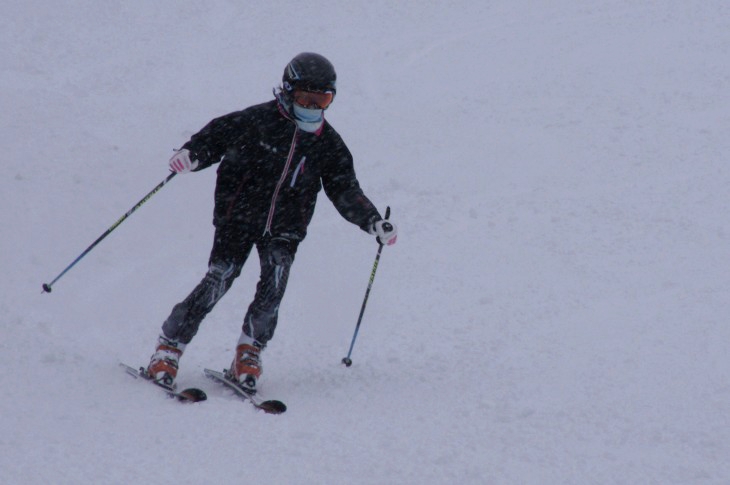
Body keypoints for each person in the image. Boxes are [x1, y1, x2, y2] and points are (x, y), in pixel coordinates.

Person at [146, 52, 397, 394]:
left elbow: (344, 188)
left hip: (287, 225)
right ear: (287, 91)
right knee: (219, 278)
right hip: (240, 215)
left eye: (323, 99)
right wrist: (193, 154)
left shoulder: (328, 143)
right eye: (306, 98)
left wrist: (372, 221)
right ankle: (168, 347)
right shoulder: (256, 120)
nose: (313, 106)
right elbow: (215, 137)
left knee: (274, 283)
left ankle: (249, 352)